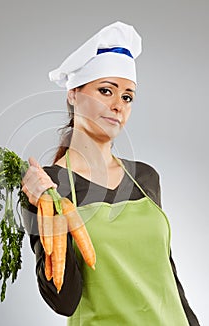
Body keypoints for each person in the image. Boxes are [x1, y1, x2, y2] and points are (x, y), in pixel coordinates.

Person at [21, 21, 200, 325]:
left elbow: (167, 276)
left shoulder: (145, 178)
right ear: (73, 94)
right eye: (106, 91)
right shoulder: (46, 186)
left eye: (128, 97)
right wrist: (39, 206)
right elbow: (63, 301)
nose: (118, 106)